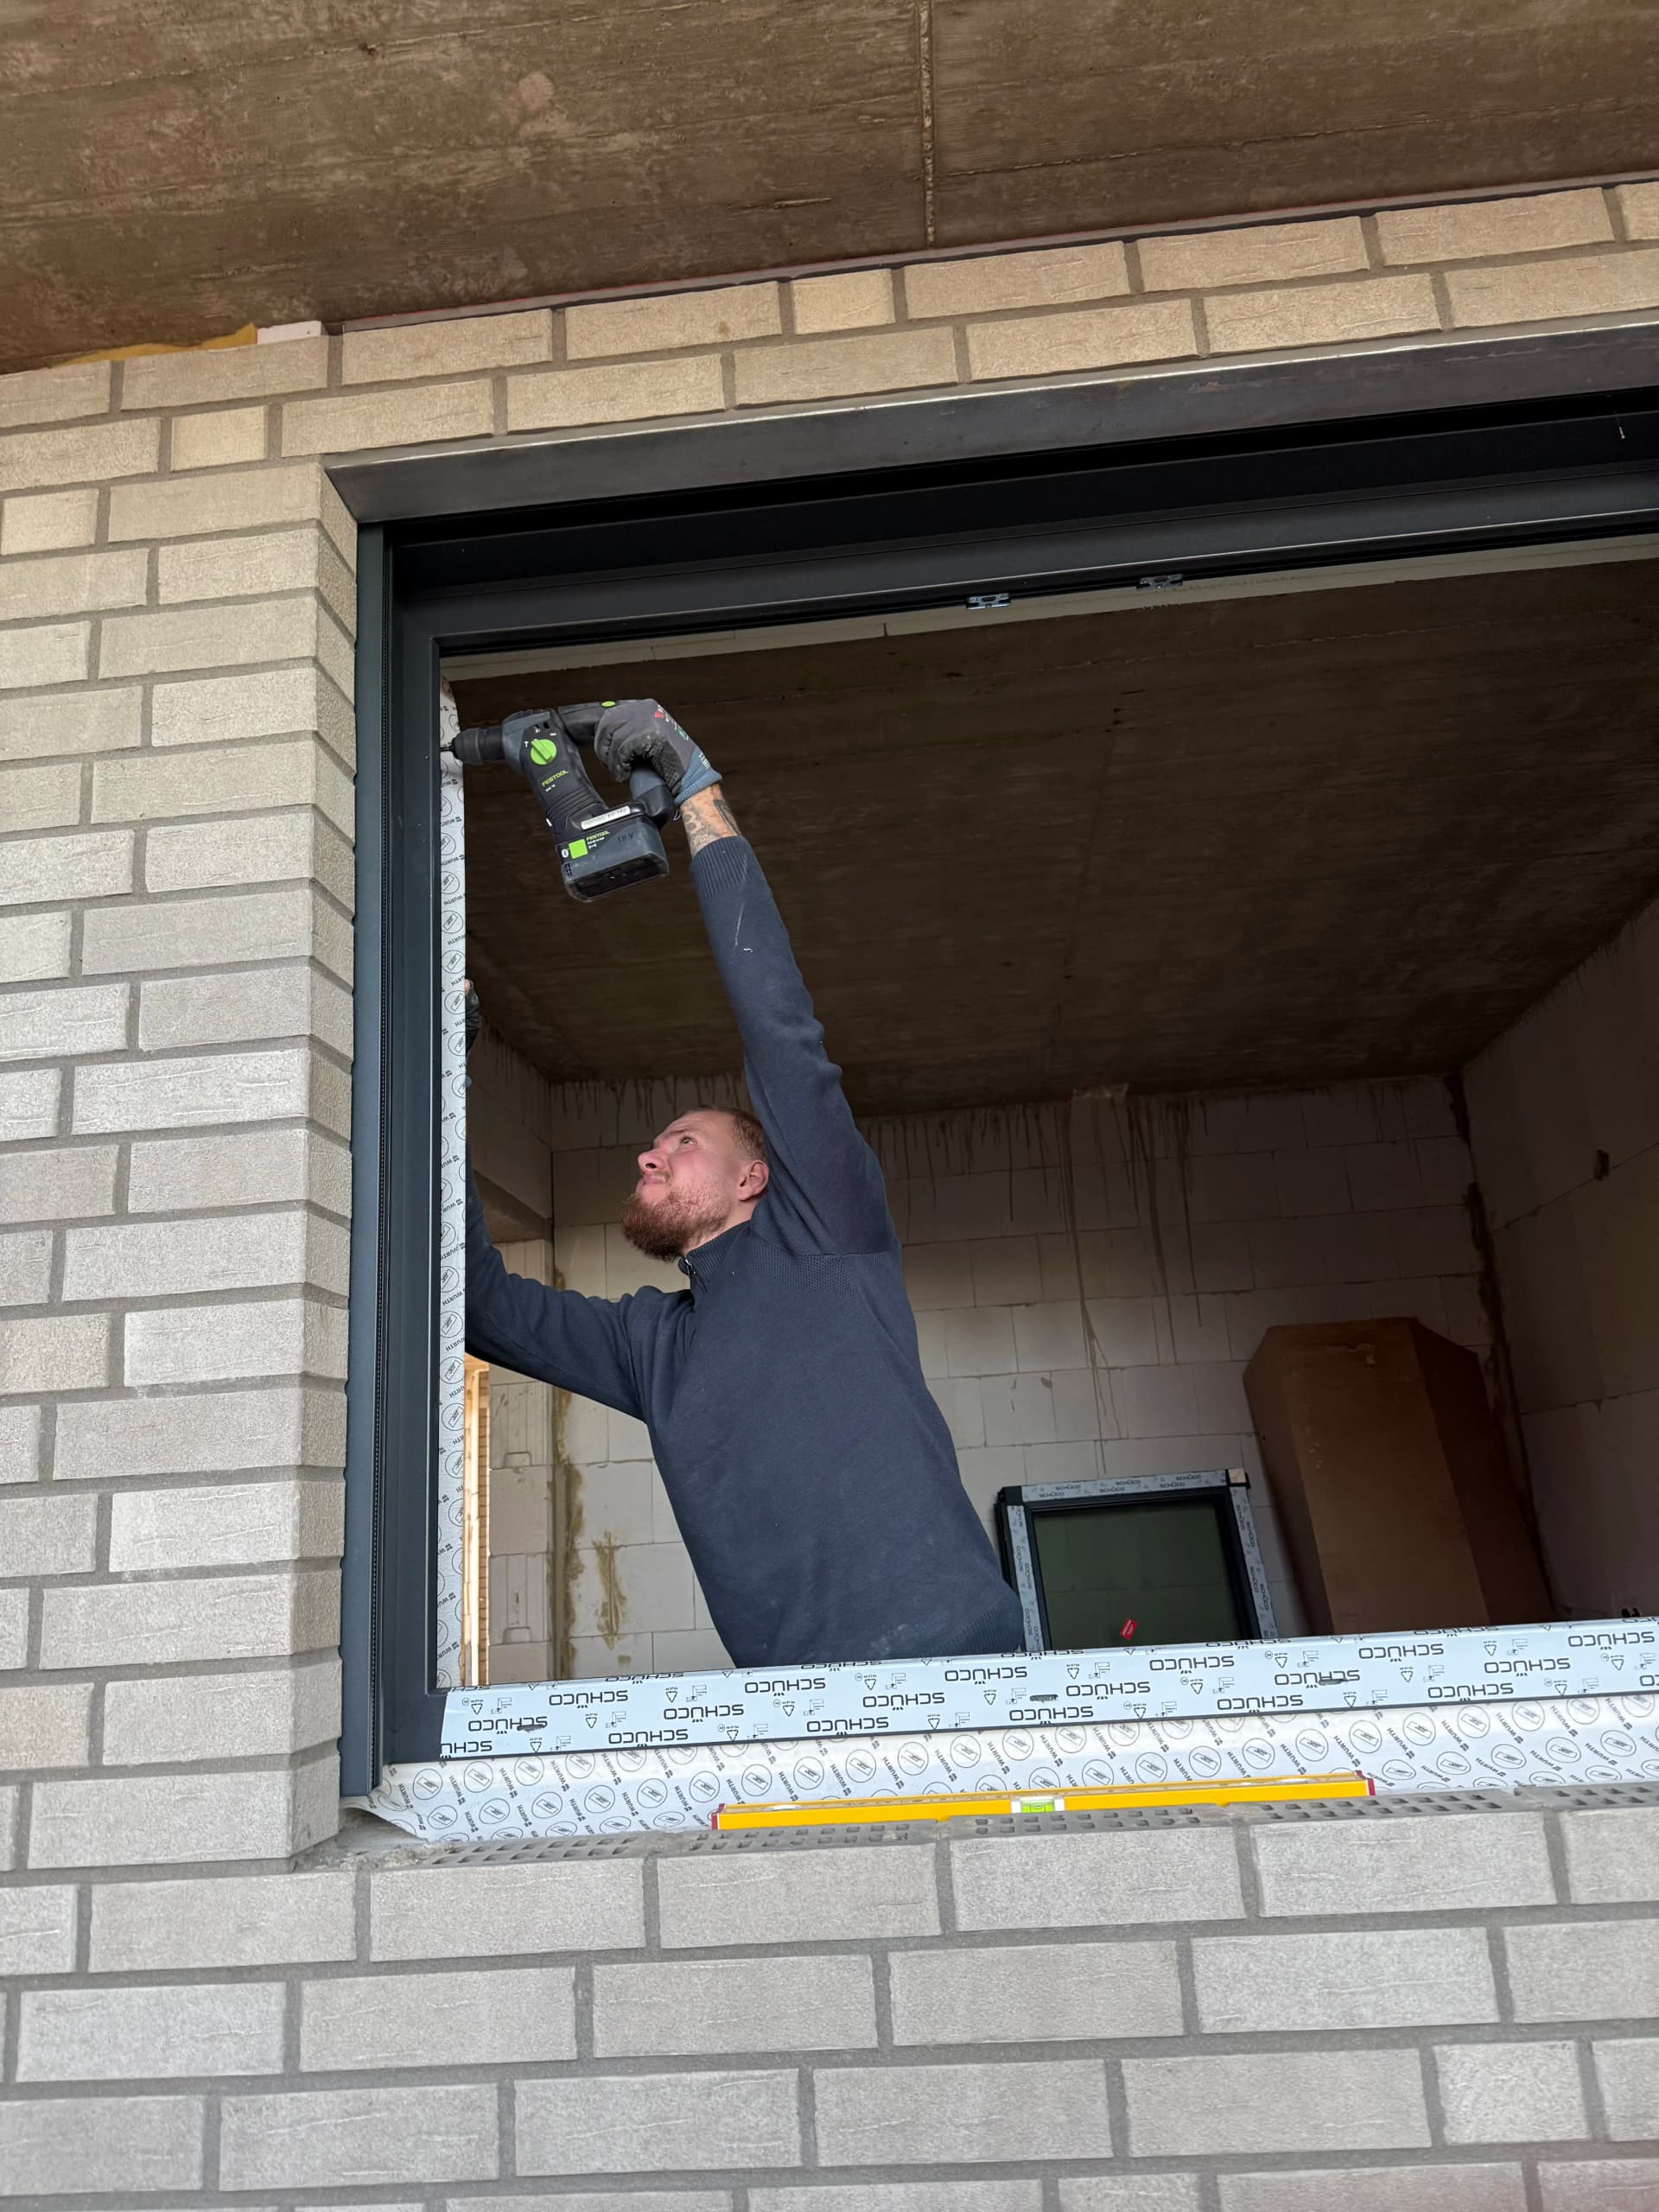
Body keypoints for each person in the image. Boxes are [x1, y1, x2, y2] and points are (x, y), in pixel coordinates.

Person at [464, 699, 1025, 1669]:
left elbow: (779, 1030)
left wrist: (694, 791)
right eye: (653, 1146)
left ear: (756, 1175)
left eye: (679, 1140)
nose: (648, 1156)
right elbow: (475, 1305)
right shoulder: (652, 1346)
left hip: (966, 1671)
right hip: (797, 1721)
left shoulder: (829, 1233)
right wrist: (443, 1080)